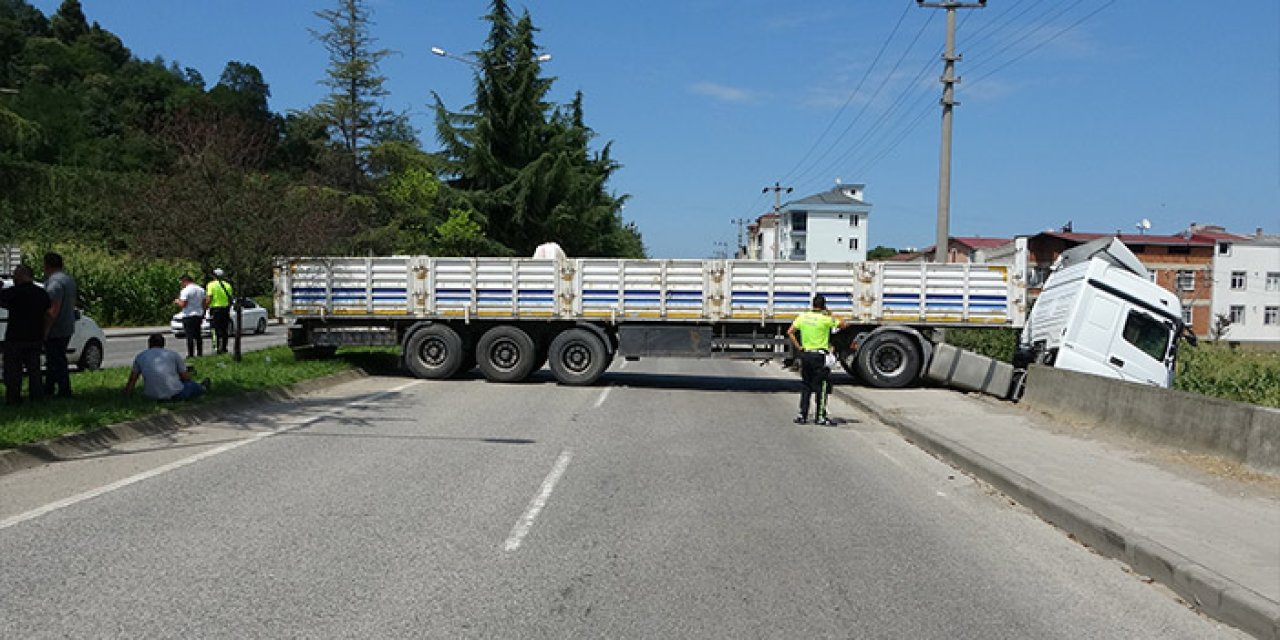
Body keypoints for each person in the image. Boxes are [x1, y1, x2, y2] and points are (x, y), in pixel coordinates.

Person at [786, 294, 851, 426]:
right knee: (822, 385)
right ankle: (820, 416)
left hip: (806, 354)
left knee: (806, 385)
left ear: (812, 305)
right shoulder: (825, 319)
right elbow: (844, 325)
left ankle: (802, 415)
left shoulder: (803, 317)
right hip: (819, 356)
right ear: (823, 306)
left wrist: (799, 347)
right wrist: (829, 313)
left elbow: (790, 332)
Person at [1, 265, 51, 405]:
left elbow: (2, 299)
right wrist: (45, 333)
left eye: (15, 275)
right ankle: (37, 397)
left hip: (15, 339)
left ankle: (13, 398)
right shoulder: (41, 293)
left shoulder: (14, 293)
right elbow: (48, 314)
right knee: (34, 371)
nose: (13, 278)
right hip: (35, 337)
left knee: (13, 372)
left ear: (22, 275)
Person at [124, 333, 210, 401]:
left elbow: (132, 379)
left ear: (149, 344)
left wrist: (127, 394)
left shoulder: (140, 356)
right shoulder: (172, 354)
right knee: (191, 385)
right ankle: (203, 388)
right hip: (175, 394)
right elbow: (186, 377)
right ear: (163, 344)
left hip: (151, 395)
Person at [42, 252, 77, 398]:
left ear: (47, 265)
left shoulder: (54, 283)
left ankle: (63, 390)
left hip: (57, 328)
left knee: (56, 360)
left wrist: (46, 329)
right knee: (56, 359)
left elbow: (53, 310)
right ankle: (50, 388)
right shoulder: (68, 280)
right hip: (67, 325)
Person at [175, 274, 206, 358]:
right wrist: (203, 312)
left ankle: (191, 354)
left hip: (188, 315)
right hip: (198, 314)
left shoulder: (185, 290)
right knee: (198, 335)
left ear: (185, 281)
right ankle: (200, 353)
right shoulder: (201, 289)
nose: (181, 284)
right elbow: (204, 303)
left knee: (190, 336)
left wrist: (177, 301)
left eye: (181, 282)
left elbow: (183, 304)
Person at [205, 268, 234, 355]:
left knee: (214, 329)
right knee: (224, 330)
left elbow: (209, 298)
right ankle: (224, 347)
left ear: (214, 276)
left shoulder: (211, 285)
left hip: (215, 309)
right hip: (225, 309)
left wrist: (205, 307)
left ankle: (216, 347)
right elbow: (230, 299)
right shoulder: (228, 285)